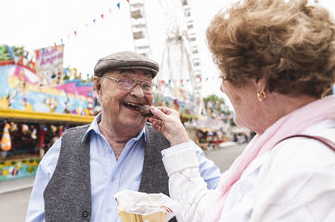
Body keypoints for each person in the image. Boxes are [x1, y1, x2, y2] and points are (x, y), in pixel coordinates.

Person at [149, 0, 335, 222]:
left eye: (224, 74)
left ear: (260, 80)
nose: (222, 88)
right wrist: (178, 141)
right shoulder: (285, 147)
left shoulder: (302, 170)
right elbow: (207, 212)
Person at [26, 51, 221, 222]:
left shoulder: (177, 147)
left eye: (146, 85)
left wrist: (180, 141)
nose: (138, 93)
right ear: (99, 88)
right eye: (125, 81)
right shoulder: (62, 149)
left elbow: (223, 205)